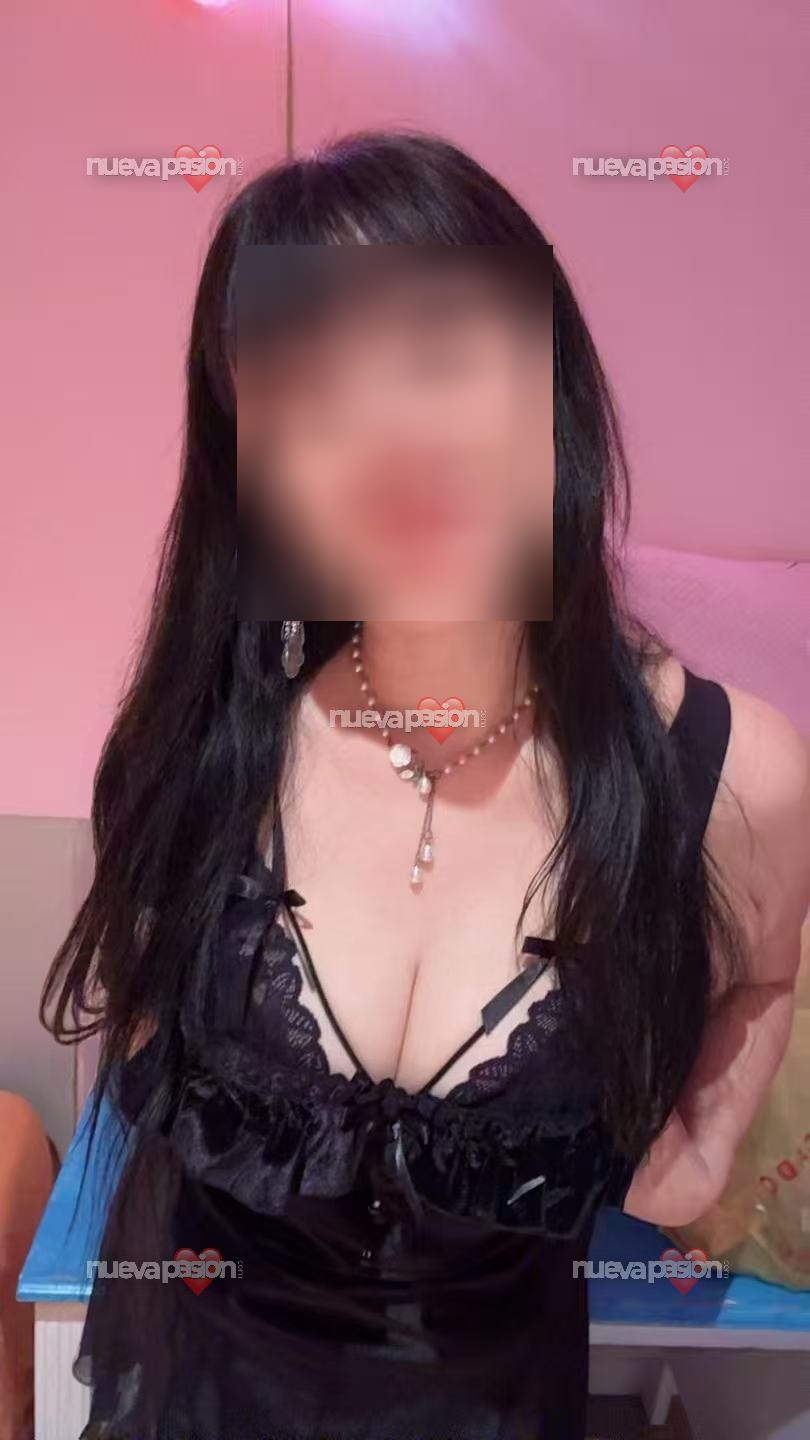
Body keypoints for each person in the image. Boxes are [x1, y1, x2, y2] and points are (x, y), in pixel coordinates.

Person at [42, 132, 810, 1440]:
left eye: (437, 352)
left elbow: (762, 970)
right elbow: (141, 1037)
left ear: (548, 381)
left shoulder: (733, 777)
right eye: (307, 387)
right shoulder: (197, 746)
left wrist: (700, 1144)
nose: (387, 435)